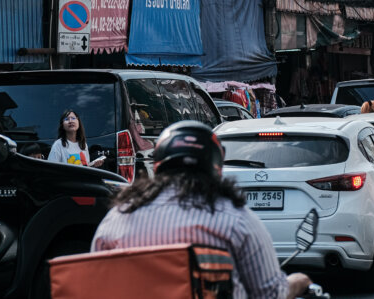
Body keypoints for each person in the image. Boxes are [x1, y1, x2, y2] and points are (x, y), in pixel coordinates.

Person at [91, 121, 311, 299]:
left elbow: (97, 286)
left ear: (158, 164)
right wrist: (298, 281)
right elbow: (270, 294)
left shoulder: (118, 218)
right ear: (216, 164)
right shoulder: (236, 219)